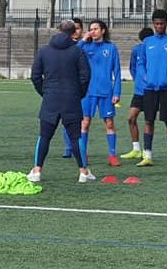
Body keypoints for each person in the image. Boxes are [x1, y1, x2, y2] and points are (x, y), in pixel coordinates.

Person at [29, 19, 92, 182]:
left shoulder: (44, 51)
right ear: (73, 33)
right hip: (71, 98)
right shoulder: (77, 52)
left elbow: (35, 75)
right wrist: (79, 93)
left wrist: (45, 92)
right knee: (76, 137)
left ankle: (37, 171)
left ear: (58, 31)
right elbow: (85, 76)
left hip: (50, 98)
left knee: (44, 136)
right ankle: (83, 172)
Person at [136, 9, 167, 168]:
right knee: (148, 120)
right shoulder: (147, 42)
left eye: (162, 24)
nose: (159, 26)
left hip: (166, 89)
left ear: (166, 23)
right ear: (153, 24)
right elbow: (141, 63)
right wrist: (145, 76)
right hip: (149, 88)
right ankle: (147, 155)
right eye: (156, 24)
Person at [78, 19, 122, 168]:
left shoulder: (111, 48)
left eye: (96, 29)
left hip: (106, 92)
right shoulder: (85, 47)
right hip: (88, 92)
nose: (93, 31)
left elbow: (117, 72)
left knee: (109, 123)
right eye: (91, 29)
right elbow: (73, 52)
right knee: (85, 123)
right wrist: (83, 40)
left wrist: (117, 92)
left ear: (103, 30)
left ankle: (112, 155)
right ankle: (82, 155)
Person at [121, 27, 153, 159]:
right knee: (131, 118)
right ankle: (136, 149)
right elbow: (132, 67)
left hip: (151, 91)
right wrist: (137, 79)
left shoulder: (154, 50)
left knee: (149, 122)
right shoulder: (136, 50)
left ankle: (147, 151)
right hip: (139, 92)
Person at [61, 17, 86, 157]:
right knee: (67, 119)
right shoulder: (68, 46)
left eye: (77, 29)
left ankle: (80, 147)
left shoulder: (86, 44)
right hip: (68, 87)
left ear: (82, 30)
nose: (75, 32)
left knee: (82, 121)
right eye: (73, 29)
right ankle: (68, 147)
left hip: (82, 89)